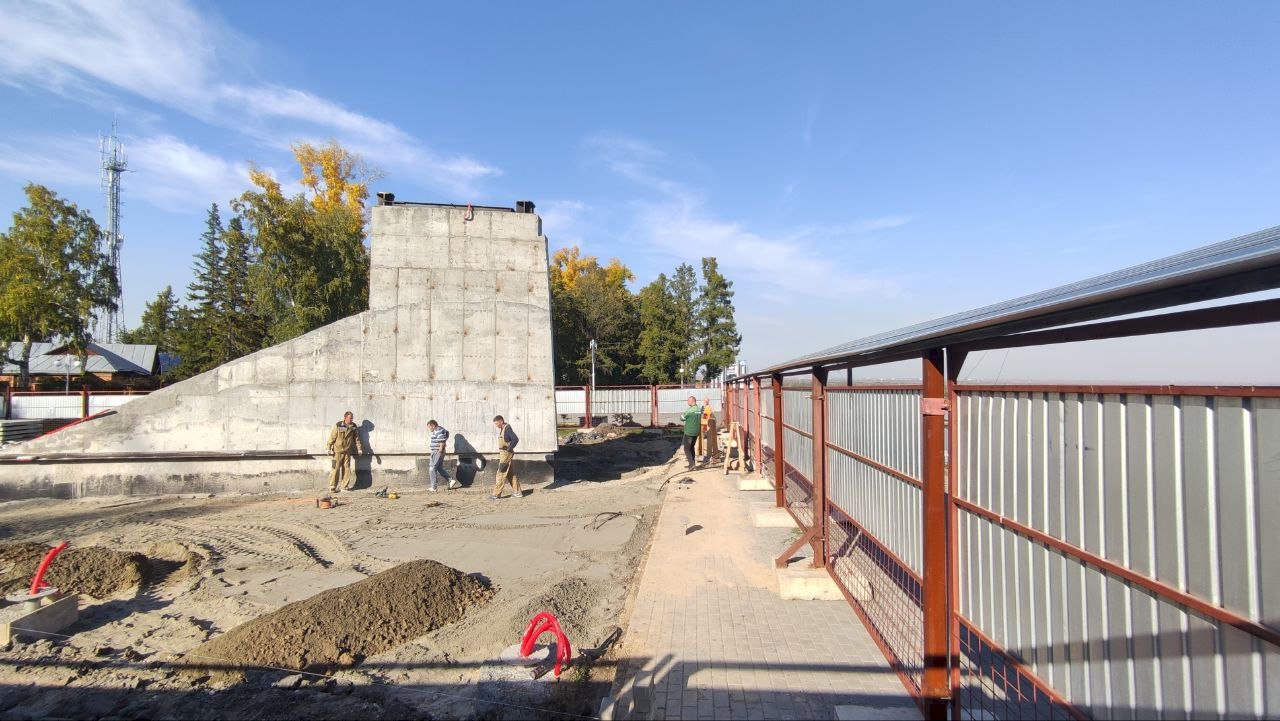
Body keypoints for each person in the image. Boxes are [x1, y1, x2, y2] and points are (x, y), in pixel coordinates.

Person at [326, 411, 365, 492]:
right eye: (350, 418)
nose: (351, 420)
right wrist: (328, 448)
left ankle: (344, 486)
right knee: (335, 469)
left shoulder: (353, 426)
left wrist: (359, 449)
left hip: (347, 451)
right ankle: (332, 487)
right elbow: (332, 437)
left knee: (347, 469)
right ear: (345, 418)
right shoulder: (338, 425)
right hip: (337, 451)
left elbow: (356, 439)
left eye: (352, 418)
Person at [490, 415, 523, 499]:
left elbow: (515, 439)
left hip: (506, 454)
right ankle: (518, 492)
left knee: (501, 473)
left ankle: (496, 494)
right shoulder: (503, 428)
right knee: (510, 474)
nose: (496, 425)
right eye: (495, 424)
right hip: (504, 453)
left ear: (501, 421)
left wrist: (509, 449)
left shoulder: (507, 428)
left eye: (497, 423)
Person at [426, 420, 459, 492]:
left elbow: (441, 440)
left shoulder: (438, 430)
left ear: (433, 425)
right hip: (439, 452)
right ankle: (450, 480)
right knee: (439, 468)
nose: (429, 429)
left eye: (429, 427)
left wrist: (440, 450)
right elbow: (447, 433)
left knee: (432, 468)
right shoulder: (441, 430)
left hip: (437, 452)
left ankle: (434, 487)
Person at [681, 395, 700, 470]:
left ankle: (692, 465)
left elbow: (682, 418)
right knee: (691, 447)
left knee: (686, 449)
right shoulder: (698, 409)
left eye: (688, 400)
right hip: (696, 431)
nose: (687, 402)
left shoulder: (690, 410)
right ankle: (692, 463)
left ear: (692, 401)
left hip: (689, 431)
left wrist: (683, 414)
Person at [700, 397, 718, 465]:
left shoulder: (709, 408)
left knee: (710, 441)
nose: (706, 402)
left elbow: (710, 415)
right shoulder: (702, 407)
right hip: (704, 425)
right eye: (705, 401)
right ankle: (706, 455)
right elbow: (701, 414)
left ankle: (710, 455)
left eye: (707, 401)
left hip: (709, 425)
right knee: (704, 441)